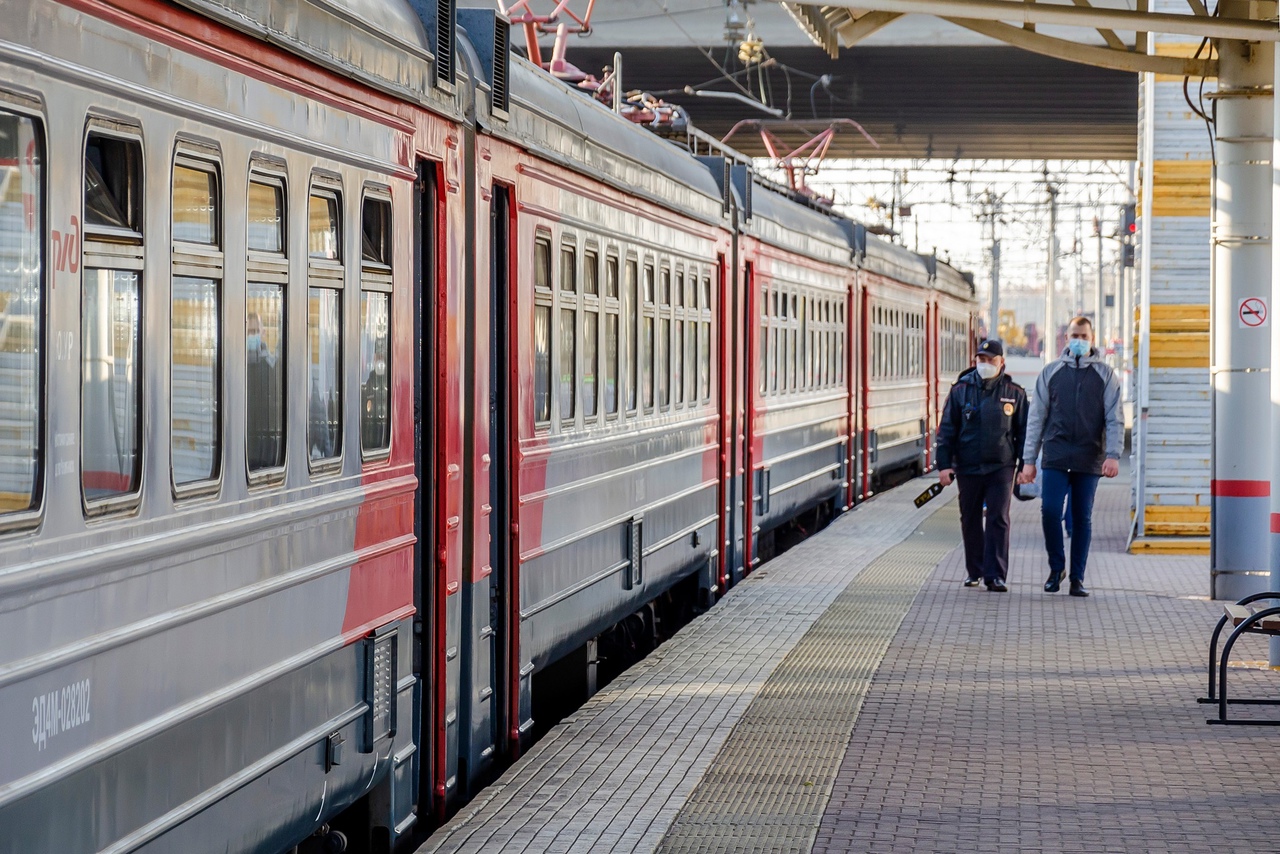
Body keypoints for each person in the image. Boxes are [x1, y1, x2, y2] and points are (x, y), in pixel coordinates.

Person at [1018, 316, 1122, 597]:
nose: (1079, 340)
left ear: (1092, 338)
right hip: (1056, 453)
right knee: (1050, 510)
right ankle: (1056, 568)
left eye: (1084, 336)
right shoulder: (1051, 372)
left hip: (1089, 458)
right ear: (1067, 338)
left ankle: (1077, 577)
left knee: (1080, 517)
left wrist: (1112, 455)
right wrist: (1029, 460)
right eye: (1075, 335)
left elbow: (1114, 419)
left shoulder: (1105, 375)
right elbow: (1036, 419)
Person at [935, 339, 1028, 592]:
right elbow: (946, 431)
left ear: (1001, 363)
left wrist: (1024, 466)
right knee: (970, 519)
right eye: (981, 360)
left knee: (999, 518)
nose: (985, 364)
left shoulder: (1015, 393)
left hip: (1001, 467)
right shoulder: (960, 391)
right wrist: (944, 465)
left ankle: (995, 575)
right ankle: (974, 571)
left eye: (991, 360)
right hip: (967, 466)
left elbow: (1023, 433)